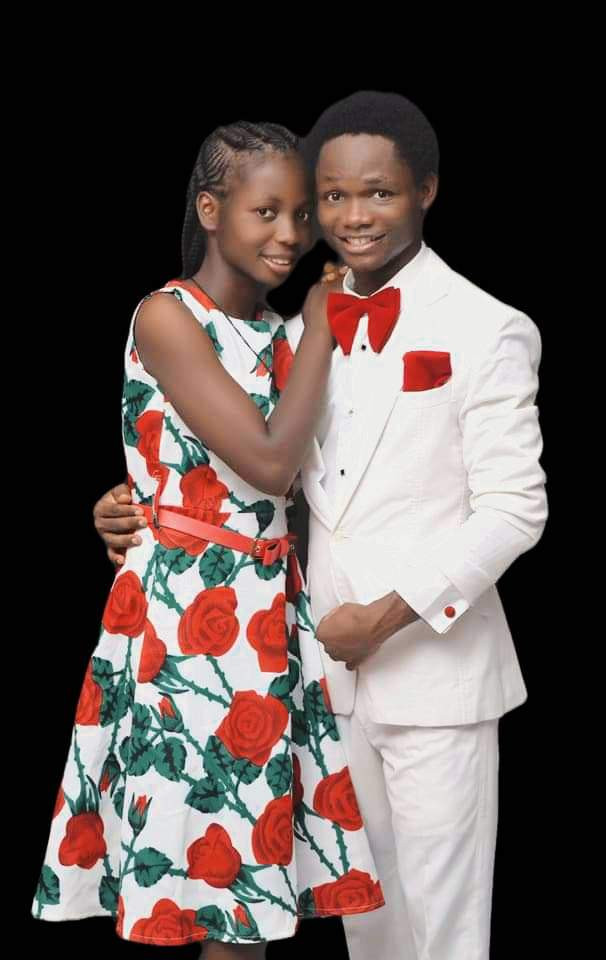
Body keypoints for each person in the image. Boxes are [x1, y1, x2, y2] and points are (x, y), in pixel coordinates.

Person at [93, 90, 548, 960]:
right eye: (331, 197)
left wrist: (390, 614)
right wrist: (131, 504)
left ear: (426, 192)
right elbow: (264, 468)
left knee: (447, 931)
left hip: (430, 668)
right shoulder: (297, 327)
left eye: (377, 193)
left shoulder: (485, 326)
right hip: (309, 670)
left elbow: (516, 507)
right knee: (362, 922)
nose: (349, 217)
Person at [31, 119, 385, 957]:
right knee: (195, 872)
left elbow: (309, 488)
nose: (291, 234)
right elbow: (267, 461)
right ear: (211, 210)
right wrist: (323, 322)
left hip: (269, 617)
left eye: (301, 215)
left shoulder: (282, 336)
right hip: (185, 620)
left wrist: (306, 333)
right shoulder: (166, 316)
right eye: (267, 212)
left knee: (245, 889)